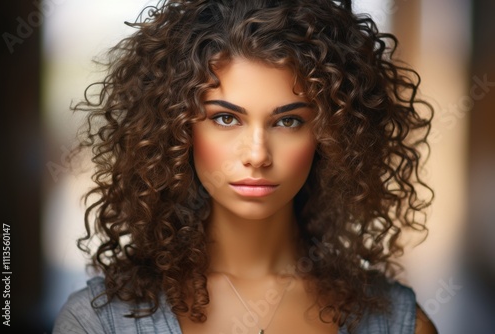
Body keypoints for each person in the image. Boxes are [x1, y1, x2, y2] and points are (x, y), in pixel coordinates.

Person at [52, 0, 438, 333]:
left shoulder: (395, 322)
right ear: (178, 129)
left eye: (288, 121)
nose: (257, 154)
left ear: (331, 136)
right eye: (225, 119)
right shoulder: (98, 322)